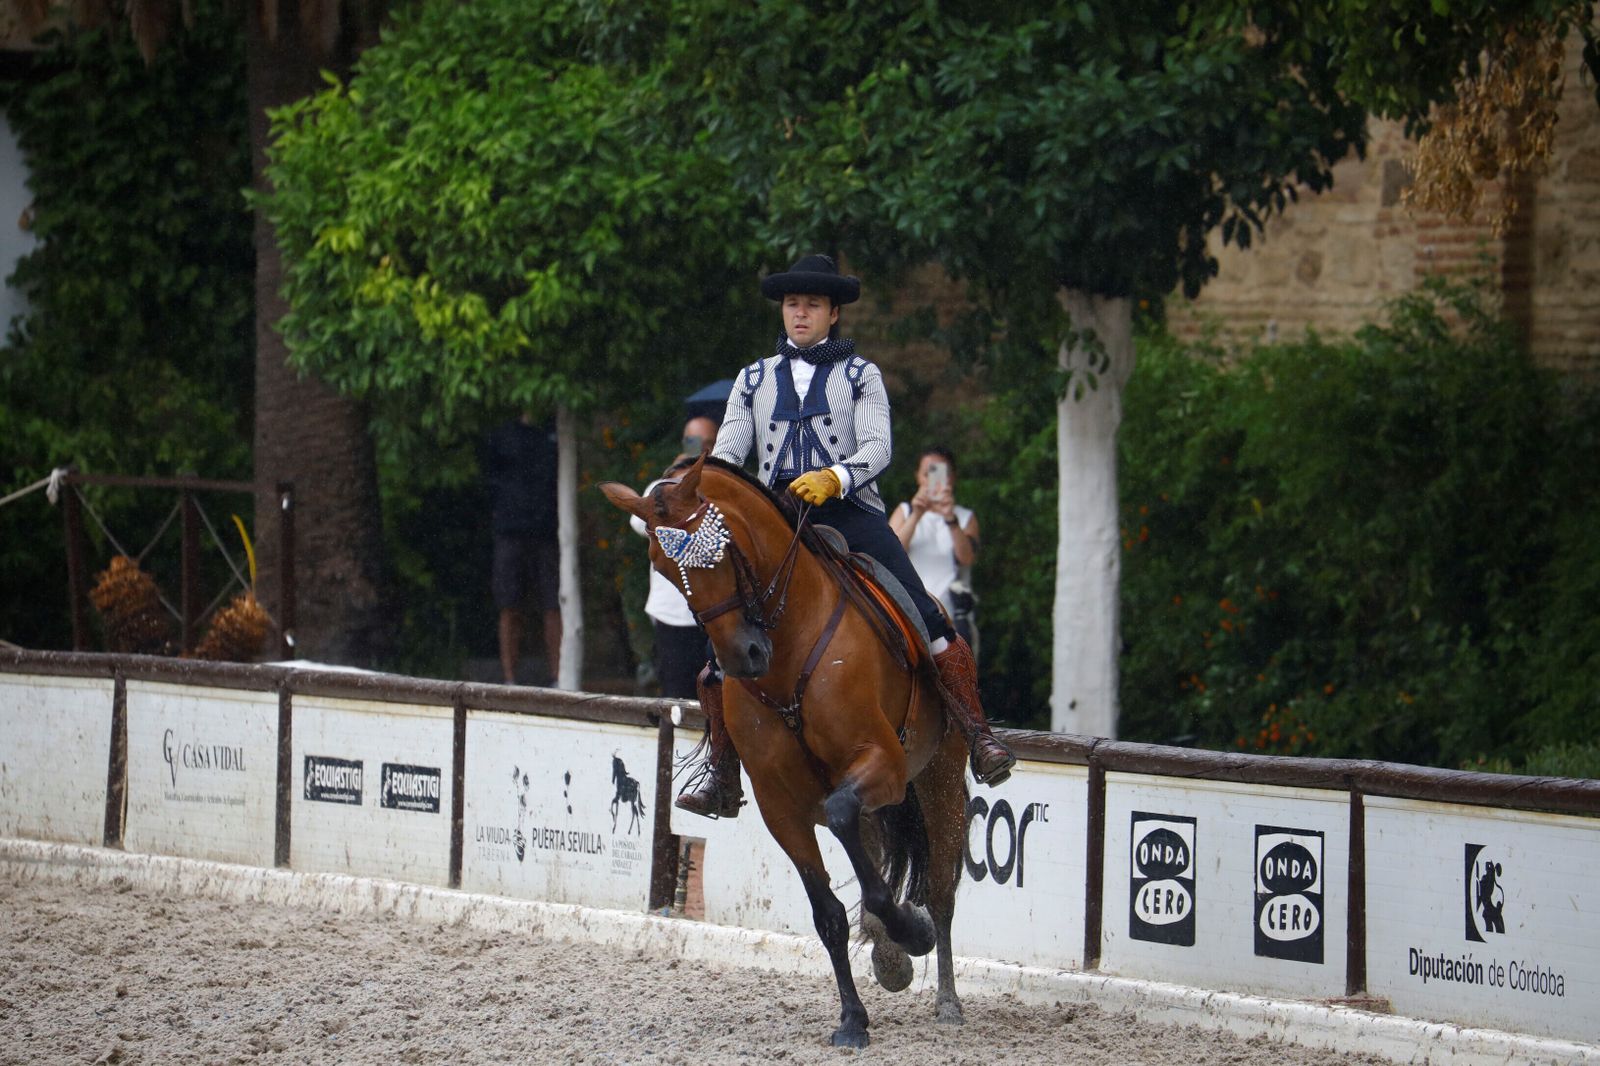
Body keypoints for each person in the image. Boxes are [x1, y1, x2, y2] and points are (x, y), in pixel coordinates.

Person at [676, 253, 1015, 819]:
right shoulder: (753, 379)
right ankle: (721, 773)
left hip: (848, 510)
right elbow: (732, 456)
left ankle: (978, 734)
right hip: (775, 519)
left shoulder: (862, 374)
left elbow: (879, 446)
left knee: (927, 618)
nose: (800, 314)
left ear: (833, 313)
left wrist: (836, 476)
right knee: (720, 646)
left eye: (811, 305)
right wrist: (710, 496)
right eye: (792, 304)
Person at [629, 418, 720, 699]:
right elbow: (637, 522)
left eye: (707, 445)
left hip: (716, 610)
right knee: (675, 695)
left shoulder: (721, 487)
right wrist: (677, 479)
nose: (700, 451)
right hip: (672, 614)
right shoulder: (663, 485)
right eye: (694, 444)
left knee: (716, 693)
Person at [484, 413, 561, 686]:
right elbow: (489, 479)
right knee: (509, 605)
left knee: (553, 603)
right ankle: (509, 679)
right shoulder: (501, 434)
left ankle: (557, 677)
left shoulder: (556, 430)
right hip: (510, 531)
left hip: (548, 531)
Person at [890, 447, 980, 650]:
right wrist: (916, 515)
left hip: (953, 622)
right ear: (918, 478)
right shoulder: (905, 511)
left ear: (952, 478)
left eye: (940, 473)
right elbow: (892, 553)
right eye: (927, 474)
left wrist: (950, 519)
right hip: (909, 617)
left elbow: (967, 558)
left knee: (955, 679)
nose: (935, 481)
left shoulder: (964, 517)